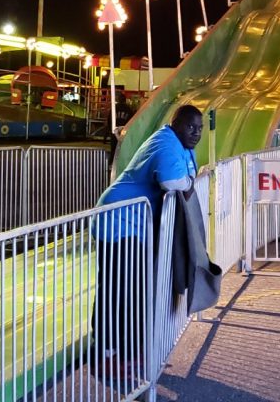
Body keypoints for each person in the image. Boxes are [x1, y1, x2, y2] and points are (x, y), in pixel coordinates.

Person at [88, 105, 202, 377]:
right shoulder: (165, 144)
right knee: (116, 291)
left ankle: (126, 351)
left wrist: (187, 182)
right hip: (117, 223)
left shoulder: (180, 145)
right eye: (190, 127)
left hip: (134, 226)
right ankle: (105, 354)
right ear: (176, 124)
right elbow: (173, 181)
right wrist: (187, 184)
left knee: (133, 290)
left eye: (199, 128)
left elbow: (189, 176)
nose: (196, 133)